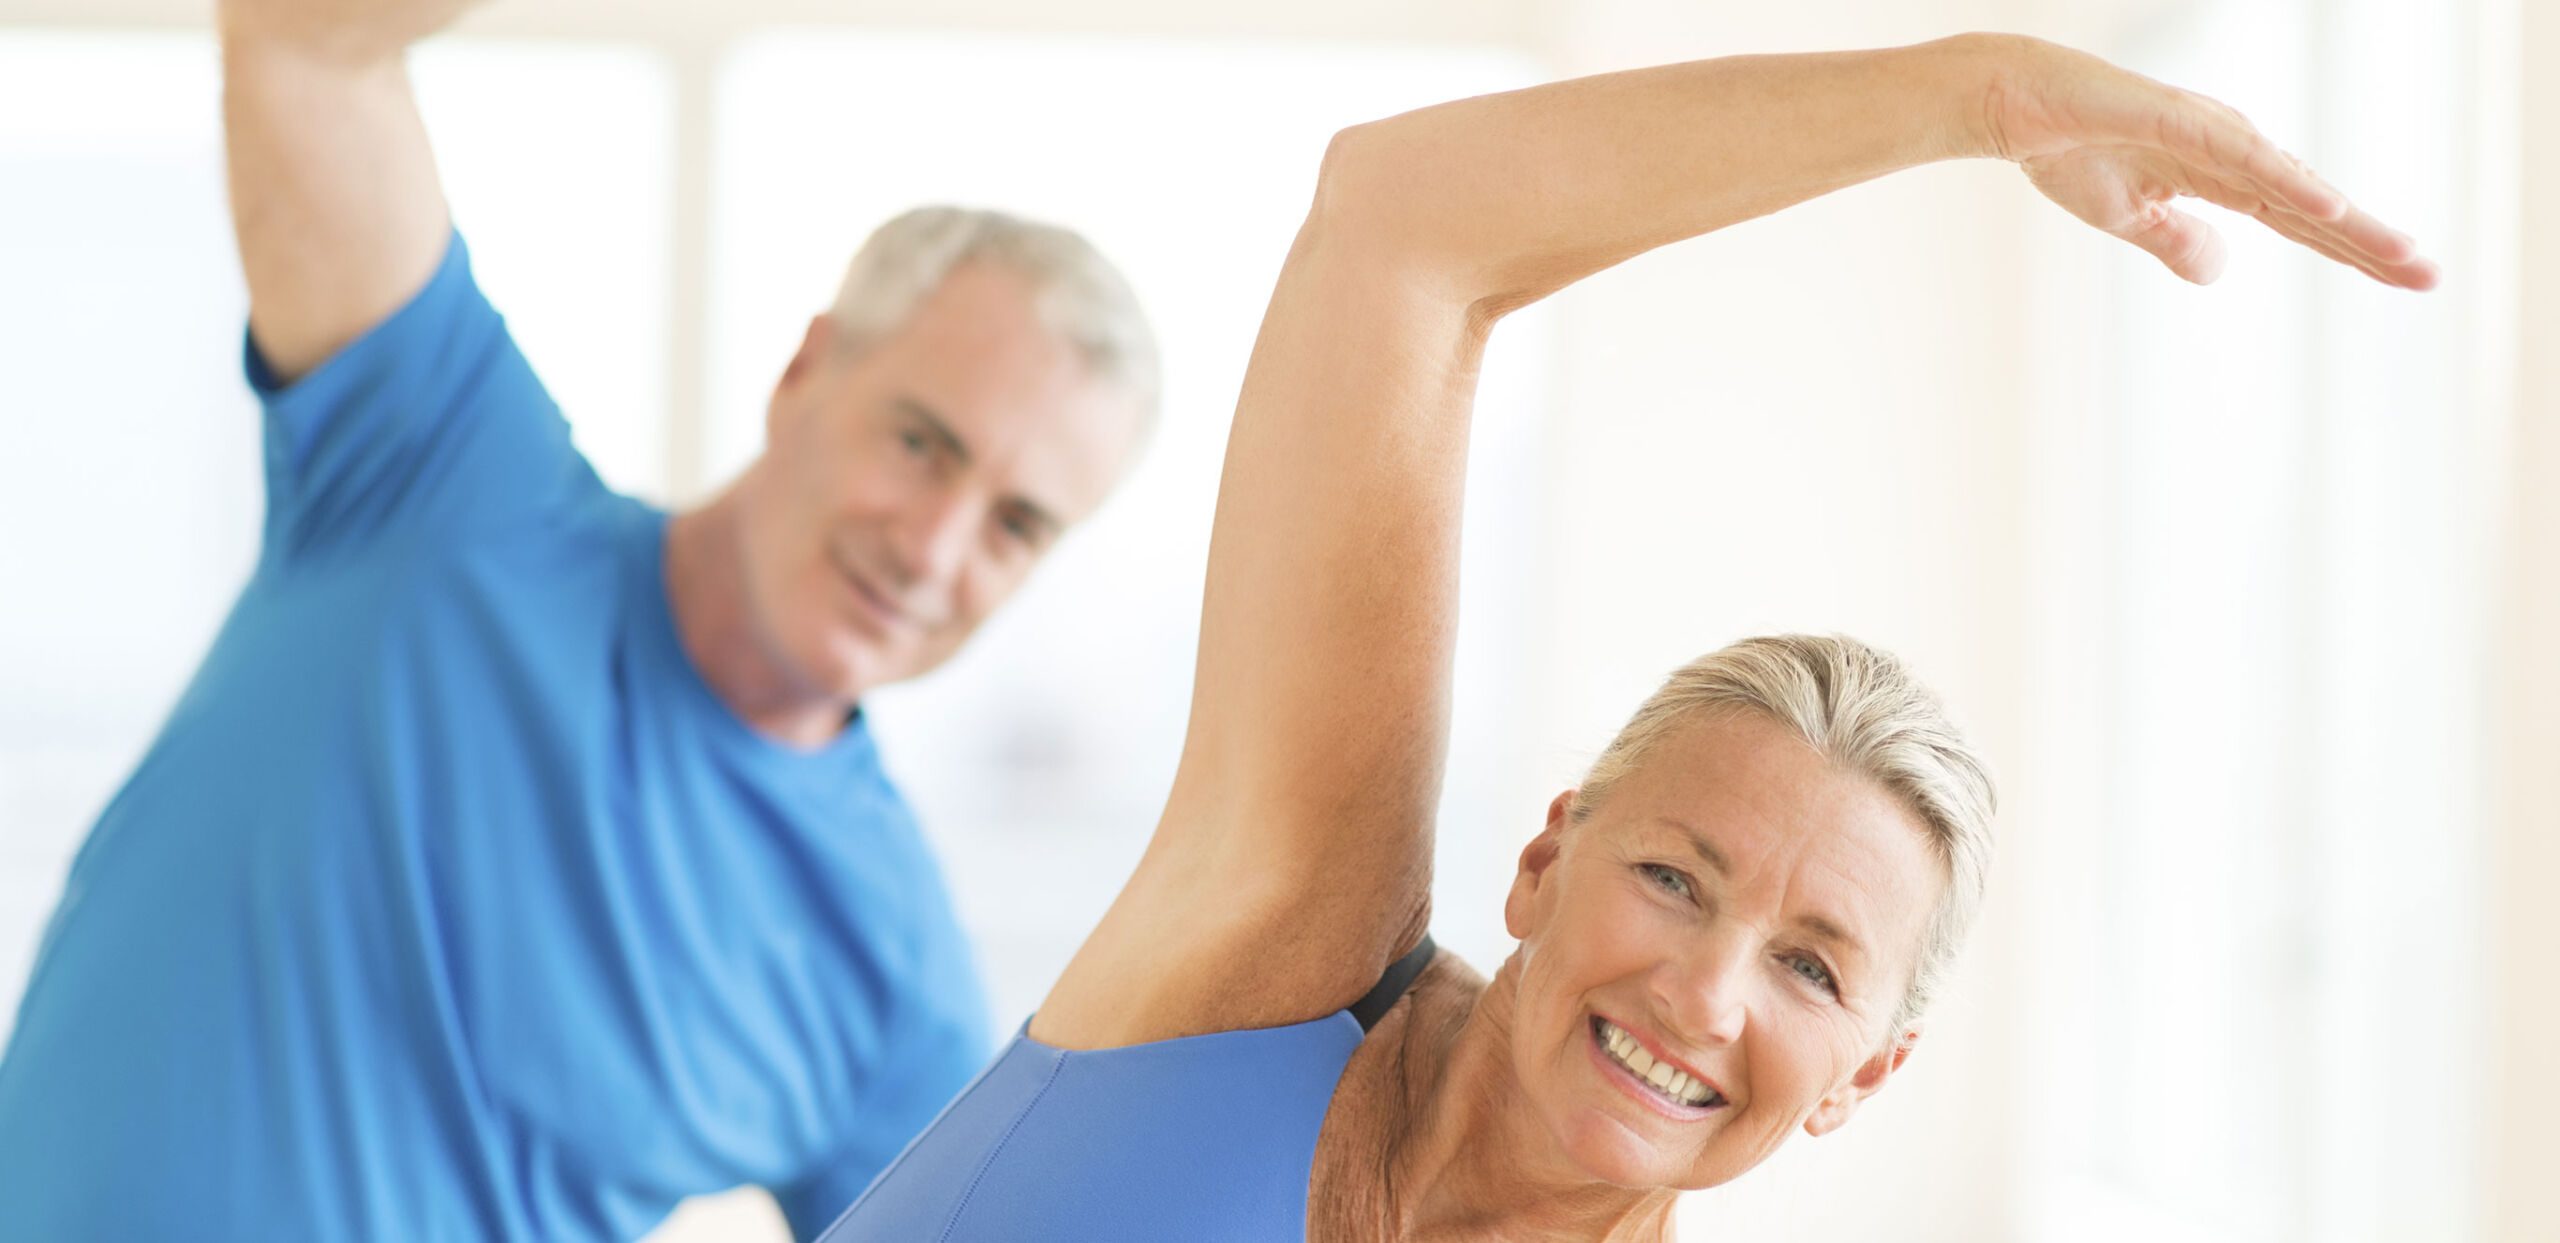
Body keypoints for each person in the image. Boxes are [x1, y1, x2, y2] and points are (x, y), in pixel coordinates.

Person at [812, 30, 2436, 1242]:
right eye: (1674, 875)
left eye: (1811, 964)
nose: (1703, 991)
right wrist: (1980, 99)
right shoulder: (1273, 955)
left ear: (1865, 1072)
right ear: (1544, 857)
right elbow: (1401, 230)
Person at [0, 1, 1155, 1240]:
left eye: (1014, 525)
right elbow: (299, 46)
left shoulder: (884, 960)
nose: (933, 547)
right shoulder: (441, 473)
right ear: (807, 370)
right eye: (920, 443)